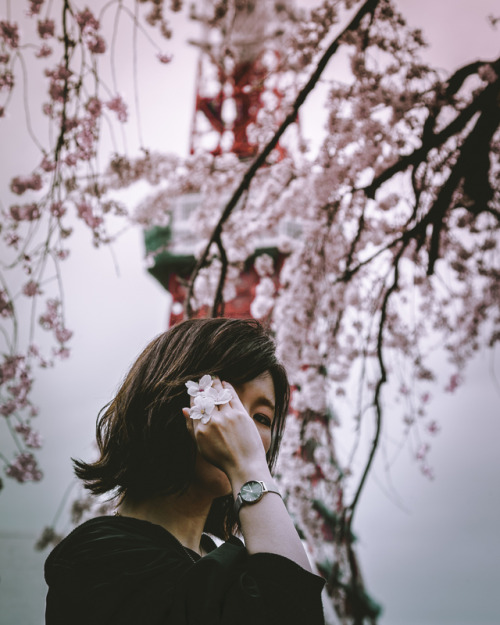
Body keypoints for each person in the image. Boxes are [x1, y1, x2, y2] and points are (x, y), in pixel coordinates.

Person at [44, 318, 325, 624]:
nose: (240, 425)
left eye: (261, 417)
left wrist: (250, 469)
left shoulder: (231, 561)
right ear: (167, 399)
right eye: (225, 400)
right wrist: (249, 468)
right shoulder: (100, 558)